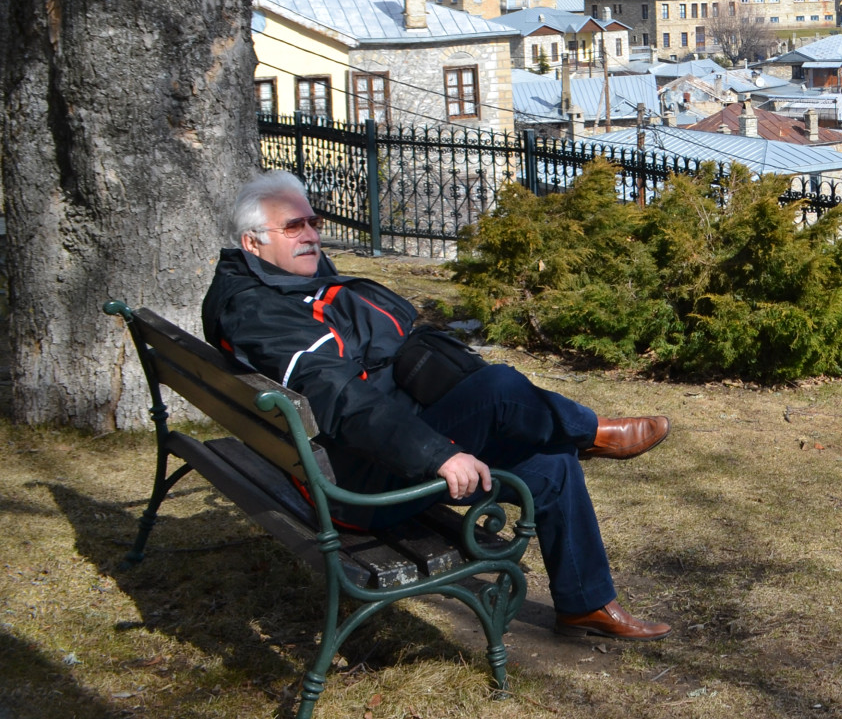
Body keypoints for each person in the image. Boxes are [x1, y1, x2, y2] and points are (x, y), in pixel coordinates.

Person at [202, 170, 671, 640]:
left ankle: (585, 604)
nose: (310, 235)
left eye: (313, 221)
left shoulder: (284, 287)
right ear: (253, 242)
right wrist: (437, 454)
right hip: (350, 486)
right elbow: (344, 401)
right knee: (500, 389)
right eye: (293, 227)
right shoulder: (261, 313)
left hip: (366, 449)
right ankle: (591, 431)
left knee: (551, 464)